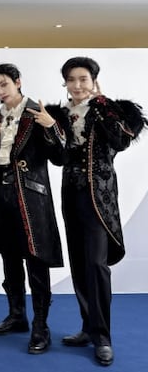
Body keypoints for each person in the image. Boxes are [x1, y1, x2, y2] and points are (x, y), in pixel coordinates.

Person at [53, 57, 146, 366]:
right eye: (71, 79)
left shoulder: (110, 110)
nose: (77, 85)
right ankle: (87, 327)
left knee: (96, 264)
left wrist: (101, 104)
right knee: (79, 263)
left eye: (83, 79)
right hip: (71, 195)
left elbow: (121, 141)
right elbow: (56, 157)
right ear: (65, 83)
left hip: (99, 197)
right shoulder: (60, 116)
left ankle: (103, 337)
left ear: (94, 81)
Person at [0, 63, 65, 354]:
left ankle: (41, 325)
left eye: (3, 84)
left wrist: (51, 126)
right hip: (3, 196)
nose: (0, 91)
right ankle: (17, 315)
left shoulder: (40, 113)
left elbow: (60, 157)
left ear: (18, 81)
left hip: (32, 198)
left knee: (36, 261)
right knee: (10, 258)